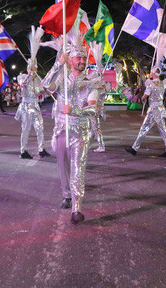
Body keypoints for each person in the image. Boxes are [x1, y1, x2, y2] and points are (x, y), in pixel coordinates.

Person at [42, 30, 99, 224]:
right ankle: (66, 194)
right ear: (71, 59)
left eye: (84, 58)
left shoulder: (92, 81)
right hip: (60, 131)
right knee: (62, 167)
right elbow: (44, 85)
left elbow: (93, 110)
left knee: (78, 168)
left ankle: (77, 208)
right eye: (78, 58)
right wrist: (58, 64)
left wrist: (74, 110)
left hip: (80, 133)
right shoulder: (61, 79)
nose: (82, 61)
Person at [15, 26, 50, 159]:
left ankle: (41, 149)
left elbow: (41, 92)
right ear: (29, 68)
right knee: (26, 129)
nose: (34, 70)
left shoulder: (37, 80)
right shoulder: (23, 78)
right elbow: (23, 87)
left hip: (36, 106)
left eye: (35, 67)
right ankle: (23, 151)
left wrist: (46, 90)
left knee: (40, 128)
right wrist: (30, 75)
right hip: (26, 107)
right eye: (32, 68)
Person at [125, 69, 166, 157]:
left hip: (153, 110)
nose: (150, 73)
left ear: (154, 73)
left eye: (151, 72)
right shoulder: (163, 83)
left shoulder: (150, 84)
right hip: (161, 109)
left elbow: (143, 98)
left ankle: (134, 148)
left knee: (144, 129)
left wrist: (144, 98)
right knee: (163, 131)